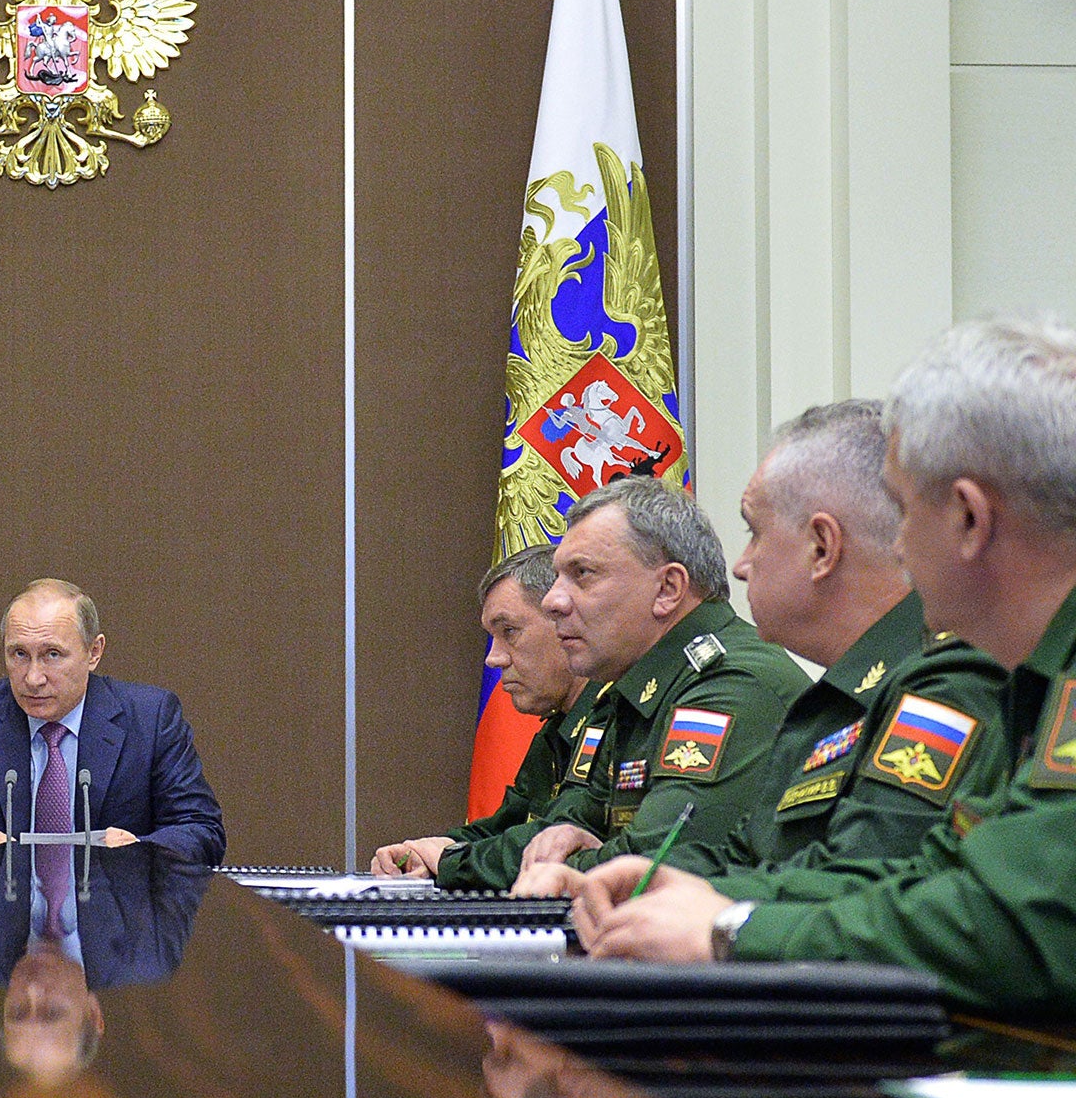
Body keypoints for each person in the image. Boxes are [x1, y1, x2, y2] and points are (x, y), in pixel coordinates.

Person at [573, 318, 1076, 1016]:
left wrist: (733, 928)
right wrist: (709, 900)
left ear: (968, 518)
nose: (897, 547)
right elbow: (930, 879)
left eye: (904, 511)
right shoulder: (1038, 677)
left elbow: (1013, 928)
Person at [519, 401, 1007, 896]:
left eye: (755, 532)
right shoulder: (832, 702)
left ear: (822, 548)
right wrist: (620, 881)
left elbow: (864, 886)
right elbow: (748, 856)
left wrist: (711, 912)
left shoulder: (943, 682)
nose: (741, 565)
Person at [419, 478, 809, 890]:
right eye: (558, 577)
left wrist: (573, 862)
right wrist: (573, 842)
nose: (553, 601)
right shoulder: (635, 693)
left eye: (582, 574)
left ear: (667, 589)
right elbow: (577, 821)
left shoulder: (728, 686)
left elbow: (658, 867)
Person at [0, 579, 226, 871]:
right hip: (2, 922)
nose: (33, 678)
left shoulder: (151, 719)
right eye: (19, 654)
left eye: (52, 654)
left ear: (94, 652)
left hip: (112, 922)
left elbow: (201, 829)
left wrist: (140, 852)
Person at [370, 545, 592, 878]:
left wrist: (449, 860)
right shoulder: (558, 728)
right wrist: (426, 850)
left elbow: (554, 843)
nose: (494, 658)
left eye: (509, 632)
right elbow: (505, 827)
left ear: (564, 621)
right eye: (493, 637)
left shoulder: (612, 719)